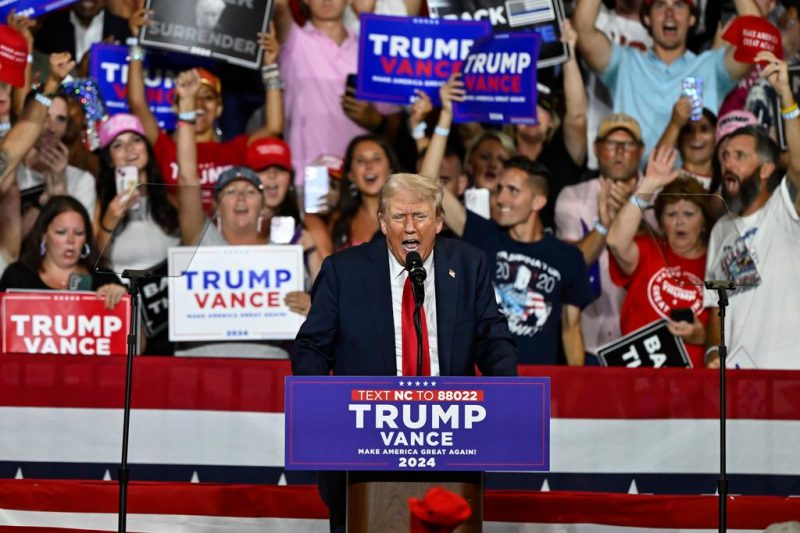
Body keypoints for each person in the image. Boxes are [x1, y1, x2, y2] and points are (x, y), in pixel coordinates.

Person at [292, 172, 517, 530]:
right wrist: (320, 404)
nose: (409, 227)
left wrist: (506, 392)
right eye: (398, 217)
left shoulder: (468, 264)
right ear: (382, 222)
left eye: (420, 216)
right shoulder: (343, 272)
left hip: (450, 437)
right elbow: (312, 347)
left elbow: (492, 337)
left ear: (439, 221)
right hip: (364, 440)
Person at [423, 79, 596, 365]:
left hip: (539, 386)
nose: (501, 198)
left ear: (538, 201)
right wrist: (445, 117)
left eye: (513, 191)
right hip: (483, 383)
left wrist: (575, 392)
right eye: (500, 188)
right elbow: (428, 184)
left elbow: (571, 330)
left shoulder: (567, 257)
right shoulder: (481, 234)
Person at [176, 69, 321, 346]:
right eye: (230, 191)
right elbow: (187, 178)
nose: (241, 198)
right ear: (216, 204)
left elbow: (330, 314)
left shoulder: (286, 255)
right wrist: (186, 108)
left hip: (272, 370)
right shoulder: (202, 240)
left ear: (264, 204)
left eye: (250, 192)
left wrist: (313, 306)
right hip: (203, 368)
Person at [126, 8, 283, 212]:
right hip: (176, 236)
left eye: (207, 98)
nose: (198, 105)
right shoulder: (163, 148)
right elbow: (137, 103)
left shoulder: (234, 151)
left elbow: (274, 126)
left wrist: (270, 66)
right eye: (190, 98)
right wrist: (137, 45)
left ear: (219, 108)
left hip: (225, 237)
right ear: (176, 106)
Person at [704, 52, 800, 369]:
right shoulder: (721, 230)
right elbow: (716, 305)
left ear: (765, 169)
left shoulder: (784, 209)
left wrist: (786, 98)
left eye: (740, 156)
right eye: (725, 156)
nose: (728, 164)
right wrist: (713, 356)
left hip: (788, 371)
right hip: (738, 380)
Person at [573, 0, 753, 155]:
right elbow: (582, 30)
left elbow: (757, 39)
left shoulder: (711, 66)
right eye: (660, 4)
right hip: (632, 185)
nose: (669, 13)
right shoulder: (624, 63)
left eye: (679, 5)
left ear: (691, 19)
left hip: (693, 188)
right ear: (647, 18)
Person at [607, 147, 710, 367]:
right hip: (640, 376)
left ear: (703, 222)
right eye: (671, 214)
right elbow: (616, 241)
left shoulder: (715, 263)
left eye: (689, 214)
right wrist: (648, 186)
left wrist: (701, 335)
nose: (679, 221)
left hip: (694, 383)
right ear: (661, 222)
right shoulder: (648, 250)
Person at [555, 113, 645, 358]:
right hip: (589, 337)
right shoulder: (572, 197)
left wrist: (631, 212)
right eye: (610, 144)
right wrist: (603, 225)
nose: (619, 151)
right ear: (596, 148)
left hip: (646, 337)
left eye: (627, 145)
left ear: (640, 151)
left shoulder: (657, 196)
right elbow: (574, 263)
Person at [0, 196, 127, 311]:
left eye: (78, 233)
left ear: (86, 239)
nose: (70, 241)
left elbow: (137, 334)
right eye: (61, 232)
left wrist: (124, 302)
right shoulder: (18, 278)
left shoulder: (105, 280)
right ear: (43, 236)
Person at [17, 90, 96, 238]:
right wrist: (44, 200)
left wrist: (61, 191)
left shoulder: (81, 180)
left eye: (61, 119)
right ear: (26, 117)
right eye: (45, 116)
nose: (52, 128)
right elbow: (7, 242)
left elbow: (80, 242)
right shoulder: (9, 172)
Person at [330, 134, 401, 250]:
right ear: (350, 175)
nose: (369, 166)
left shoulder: (408, 214)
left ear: (390, 169)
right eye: (361, 161)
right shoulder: (339, 221)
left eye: (376, 159)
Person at [656, 100, 718, 191]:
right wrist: (675, 124)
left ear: (717, 137)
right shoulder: (665, 182)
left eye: (704, 129)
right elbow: (655, 167)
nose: (696, 136)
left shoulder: (726, 184)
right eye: (688, 130)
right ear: (677, 140)